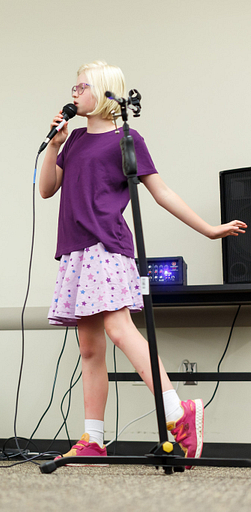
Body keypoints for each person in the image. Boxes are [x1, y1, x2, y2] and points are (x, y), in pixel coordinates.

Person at [39, 61, 247, 463]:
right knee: (89, 349)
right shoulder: (75, 140)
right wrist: (54, 145)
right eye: (74, 86)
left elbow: (161, 191)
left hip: (107, 247)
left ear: (102, 92)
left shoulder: (126, 140)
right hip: (77, 251)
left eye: (81, 86)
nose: (74, 92)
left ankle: (177, 412)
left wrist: (208, 229)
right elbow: (48, 189)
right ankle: (93, 439)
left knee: (119, 328)